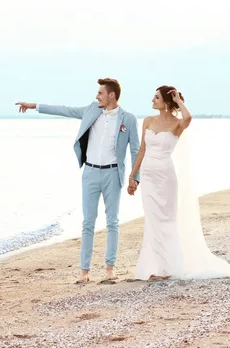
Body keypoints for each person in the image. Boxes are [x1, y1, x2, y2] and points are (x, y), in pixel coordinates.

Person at [15, 78, 141, 283]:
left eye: (100, 93)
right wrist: (34, 106)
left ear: (111, 95)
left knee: (113, 222)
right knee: (88, 223)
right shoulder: (91, 110)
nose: (96, 96)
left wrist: (135, 178)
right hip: (90, 173)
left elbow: (135, 149)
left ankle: (110, 269)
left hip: (112, 174)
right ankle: (85, 272)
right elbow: (64, 110)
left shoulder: (129, 119)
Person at [128, 85, 230, 281]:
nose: (152, 101)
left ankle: (170, 268)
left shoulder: (178, 124)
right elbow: (142, 150)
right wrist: (133, 176)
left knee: (167, 220)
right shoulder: (147, 121)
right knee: (152, 220)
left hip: (165, 176)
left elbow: (188, 118)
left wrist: (179, 101)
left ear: (166, 101)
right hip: (147, 176)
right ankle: (155, 267)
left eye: (156, 97)